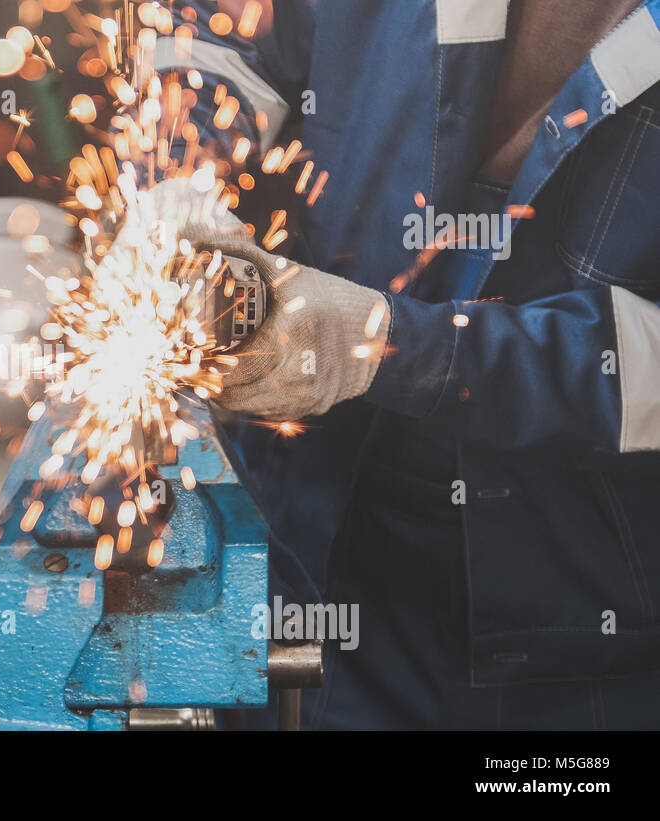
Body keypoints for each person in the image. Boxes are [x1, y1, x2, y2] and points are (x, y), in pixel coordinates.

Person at [150, 0, 660, 728]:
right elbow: (216, 30)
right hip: (304, 510)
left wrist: (391, 347)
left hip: (573, 612)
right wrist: (178, 175)